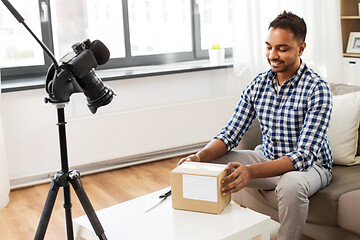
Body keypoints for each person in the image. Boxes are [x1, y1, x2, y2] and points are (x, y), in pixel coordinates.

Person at [178, 11, 332, 240]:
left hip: (311, 167)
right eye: (269, 46)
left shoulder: (317, 89)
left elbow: (303, 156)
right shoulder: (258, 84)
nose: (272, 54)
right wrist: (199, 158)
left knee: (291, 185)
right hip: (267, 156)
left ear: (301, 48)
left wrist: (250, 172)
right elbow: (230, 133)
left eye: (282, 48)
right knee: (208, 165)